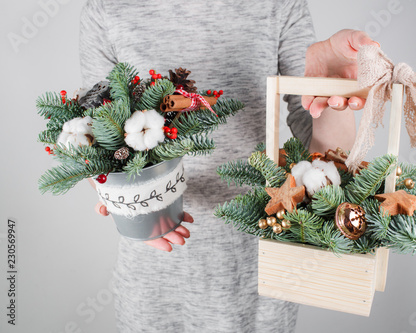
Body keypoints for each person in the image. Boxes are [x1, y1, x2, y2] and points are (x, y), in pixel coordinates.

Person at [80, 0, 377, 332]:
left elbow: (322, 146)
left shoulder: (279, 6)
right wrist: (127, 205)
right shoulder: (106, 10)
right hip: (155, 283)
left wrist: (332, 91)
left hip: (258, 267)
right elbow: (95, 137)